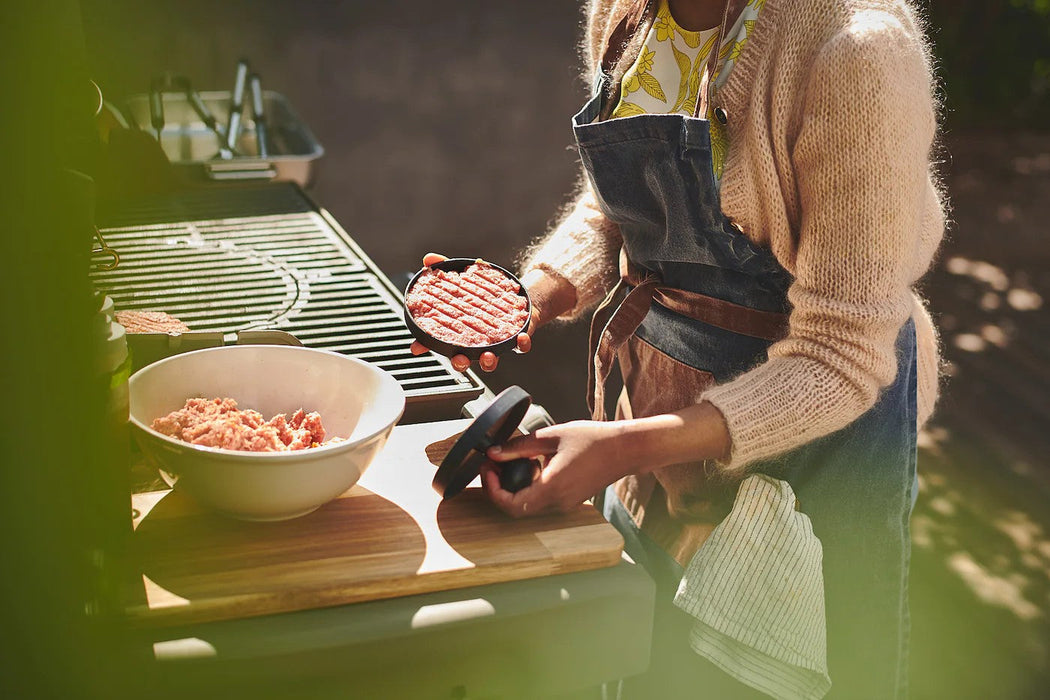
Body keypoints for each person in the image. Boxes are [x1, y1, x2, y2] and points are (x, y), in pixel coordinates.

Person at [413, 0, 944, 697]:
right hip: (658, 413)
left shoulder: (858, 54)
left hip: (819, 447)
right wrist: (527, 297)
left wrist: (622, 447)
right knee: (649, 658)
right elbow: (618, 209)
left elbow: (842, 354)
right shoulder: (625, 15)